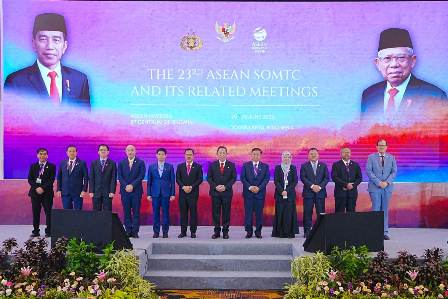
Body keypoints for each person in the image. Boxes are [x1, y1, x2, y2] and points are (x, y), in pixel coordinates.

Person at [4, 13, 90, 109]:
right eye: (43, 39)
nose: (49, 46)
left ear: (64, 46)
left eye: (56, 40)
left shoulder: (79, 80)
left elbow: (84, 121)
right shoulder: (15, 82)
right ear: (34, 43)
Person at [361, 28, 446, 122]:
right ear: (378, 63)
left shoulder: (434, 95)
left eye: (401, 58)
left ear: (412, 61)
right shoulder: (369, 95)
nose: (394, 65)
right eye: (387, 58)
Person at [366, 139, 397, 240]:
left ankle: (385, 232)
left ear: (386, 147)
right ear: (377, 147)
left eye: (383, 145)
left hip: (387, 188)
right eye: (380, 145)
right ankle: (374, 231)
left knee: (384, 210)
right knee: (376, 209)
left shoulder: (392, 157)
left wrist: (387, 182)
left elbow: (394, 172)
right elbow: (369, 171)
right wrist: (379, 182)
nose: (381, 147)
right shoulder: (371, 157)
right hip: (375, 187)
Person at [207, 146, 237, 239]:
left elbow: (233, 178)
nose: (222, 154)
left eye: (224, 152)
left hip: (227, 193)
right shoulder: (212, 164)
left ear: (226, 154)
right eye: (220, 152)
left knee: (226, 213)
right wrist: (216, 186)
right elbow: (209, 178)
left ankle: (225, 232)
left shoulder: (231, 165)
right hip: (215, 193)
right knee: (215, 213)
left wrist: (225, 186)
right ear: (217, 154)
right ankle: (216, 231)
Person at [240, 148, 270, 238]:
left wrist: (259, 188)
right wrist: (250, 187)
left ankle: (258, 231)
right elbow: (243, 178)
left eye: (257, 154)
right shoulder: (245, 165)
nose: (255, 156)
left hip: (260, 194)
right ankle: (249, 231)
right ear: (251, 154)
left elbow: (266, 179)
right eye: (254, 154)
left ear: (260, 155)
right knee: (248, 213)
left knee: (259, 214)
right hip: (248, 194)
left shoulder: (265, 166)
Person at [300, 148, 329, 238]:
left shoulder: (323, 165)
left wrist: (319, 187)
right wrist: (312, 186)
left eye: (315, 154)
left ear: (318, 155)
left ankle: (320, 231)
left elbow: (326, 178)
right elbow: (303, 178)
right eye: (311, 154)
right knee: (307, 213)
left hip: (320, 193)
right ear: (308, 156)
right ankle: (307, 231)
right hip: (308, 193)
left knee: (321, 213)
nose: (313, 155)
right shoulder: (304, 166)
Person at [117, 145, 146, 238]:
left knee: (136, 212)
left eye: (132, 150)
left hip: (136, 191)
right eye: (128, 150)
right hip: (125, 191)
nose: (130, 152)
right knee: (126, 212)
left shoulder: (141, 162)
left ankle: (135, 231)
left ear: (135, 151)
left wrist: (132, 185)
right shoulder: (121, 163)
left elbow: (141, 176)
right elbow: (120, 176)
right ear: (126, 152)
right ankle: (128, 230)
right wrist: (126, 186)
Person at [147, 148, 176, 238]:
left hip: (166, 194)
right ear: (156, 155)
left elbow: (172, 181)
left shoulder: (170, 166)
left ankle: (165, 232)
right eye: (159, 154)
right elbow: (149, 182)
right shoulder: (152, 167)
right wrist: (148, 194)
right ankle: (156, 232)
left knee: (165, 214)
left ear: (165, 156)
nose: (161, 156)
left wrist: (172, 194)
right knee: (155, 214)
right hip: (155, 194)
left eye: (162, 154)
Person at [27, 148, 56, 238]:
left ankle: (49, 231)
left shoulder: (52, 166)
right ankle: (36, 231)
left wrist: (42, 188)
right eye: (40, 154)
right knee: (36, 212)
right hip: (35, 193)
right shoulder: (33, 166)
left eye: (44, 154)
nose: (42, 155)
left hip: (47, 193)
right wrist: (37, 188)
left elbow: (51, 180)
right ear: (37, 155)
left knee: (48, 213)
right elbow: (30, 179)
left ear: (47, 155)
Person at [176, 148, 203, 238]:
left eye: (190, 154)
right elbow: (178, 179)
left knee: (193, 213)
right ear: (184, 155)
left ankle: (193, 232)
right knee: (183, 213)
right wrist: (183, 187)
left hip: (193, 193)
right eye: (187, 154)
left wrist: (191, 187)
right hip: (183, 193)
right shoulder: (180, 166)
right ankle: (183, 232)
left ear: (193, 156)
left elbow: (200, 179)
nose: (188, 156)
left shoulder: (198, 166)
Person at [272, 151, 298, 238]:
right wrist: (281, 191)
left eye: (288, 157)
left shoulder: (293, 168)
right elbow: (276, 181)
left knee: (289, 213)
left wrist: (287, 191)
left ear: (290, 158)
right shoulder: (277, 168)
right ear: (281, 158)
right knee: (280, 213)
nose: (286, 158)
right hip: (279, 194)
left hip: (290, 195)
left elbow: (295, 181)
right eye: (284, 157)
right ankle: (279, 233)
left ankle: (289, 232)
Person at [331, 147, 362, 212]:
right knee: (339, 213)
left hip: (352, 193)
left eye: (348, 152)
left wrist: (352, 185)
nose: (346, 154)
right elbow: (334, 177)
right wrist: (346, 185)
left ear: (350, 154)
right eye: (344, 152)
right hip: (340, 193)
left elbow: (359, 178)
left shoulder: (355, 165)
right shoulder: (336, 164)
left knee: (351, 213)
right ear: (341, 154)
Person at [57, 145, 88, 210]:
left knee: (78, 212)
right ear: (67, 153)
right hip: (65, 192)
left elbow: (86, 177)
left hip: (78, 192)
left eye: (73, 151)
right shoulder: (62, 162)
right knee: (67, 212)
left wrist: (84, 190)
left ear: (76, 153)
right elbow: (59, 177)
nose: (72, 153)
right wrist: (59, 189)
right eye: (70, 151)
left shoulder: (82, 163)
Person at [88, 144, 117, 211]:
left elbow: (113, 178)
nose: (103, 151)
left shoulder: (112, 163)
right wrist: (91, 191)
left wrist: (112, 191)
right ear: (98, 152)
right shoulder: (94, 163)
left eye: (104, 150)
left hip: (108, 193)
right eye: (101, 150)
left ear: (108, 152)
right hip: (96, 192)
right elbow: (91, 178)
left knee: (107, 212)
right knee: (96, 212)